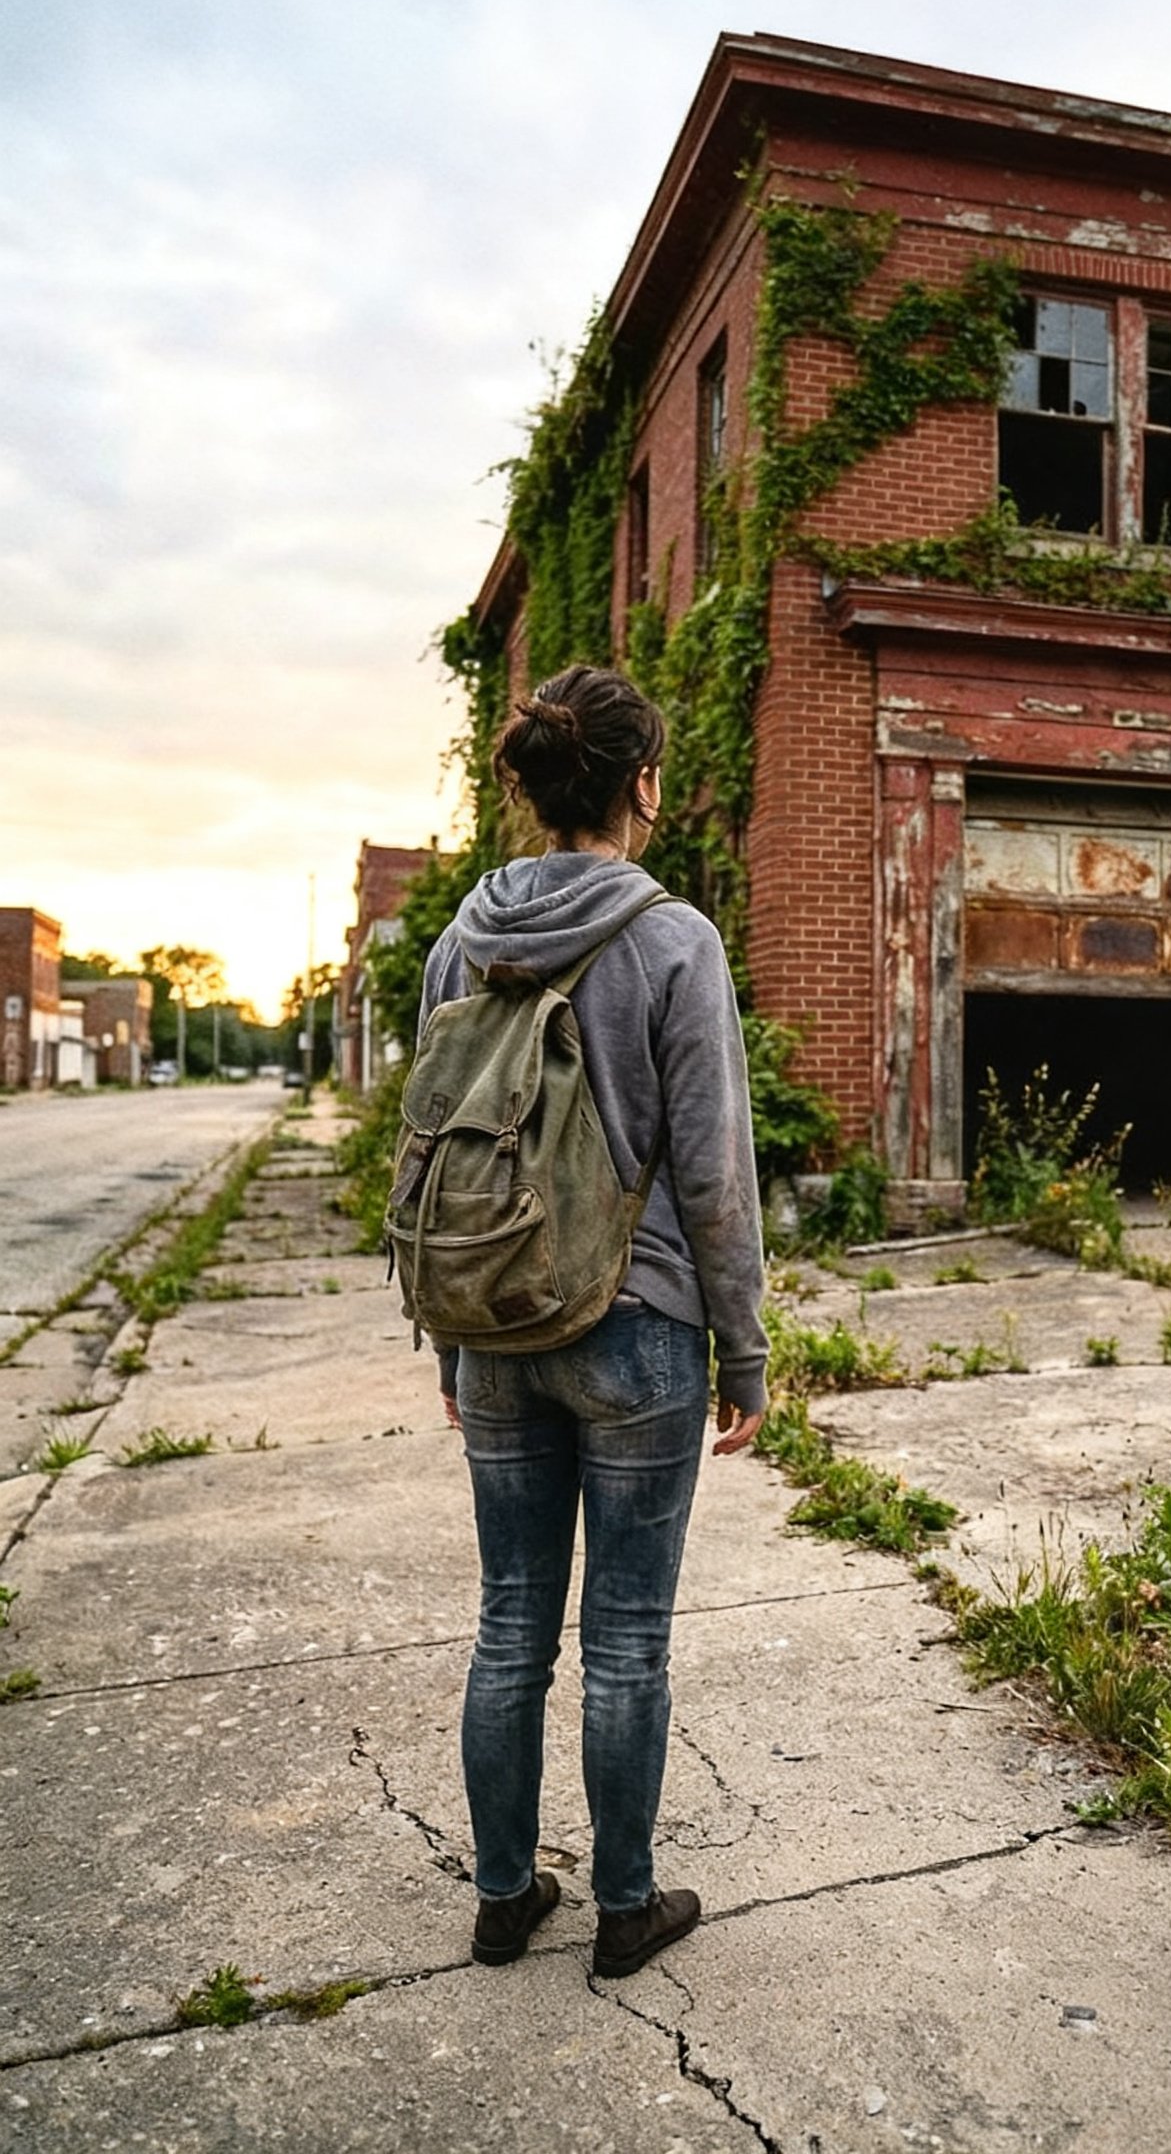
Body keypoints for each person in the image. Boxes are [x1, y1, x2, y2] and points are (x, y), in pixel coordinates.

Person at [419, 664, 768, 1979]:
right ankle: (624, 1907)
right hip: (641, 1330)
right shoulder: (674, 941)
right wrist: (746, 1350)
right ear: (642, 783)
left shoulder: (461, 940)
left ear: (529, 785)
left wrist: (452, 1339)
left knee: (512, 1617)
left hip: (497, 1322)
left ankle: (505, 1897)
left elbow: (440, 1149)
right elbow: (714, 1172)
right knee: (626, 1632)